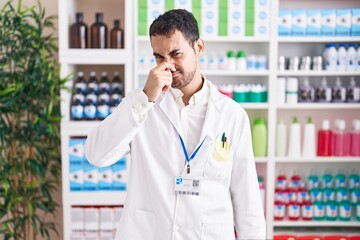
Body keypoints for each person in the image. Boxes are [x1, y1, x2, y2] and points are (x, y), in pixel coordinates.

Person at [84, 9, 266, 240]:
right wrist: (145, 99)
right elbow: (96, 155)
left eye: (176, 54)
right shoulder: (140, 105)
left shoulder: (232, 115)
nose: (167, 65)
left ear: (199, 47)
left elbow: (247, 202)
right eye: (159, 57)